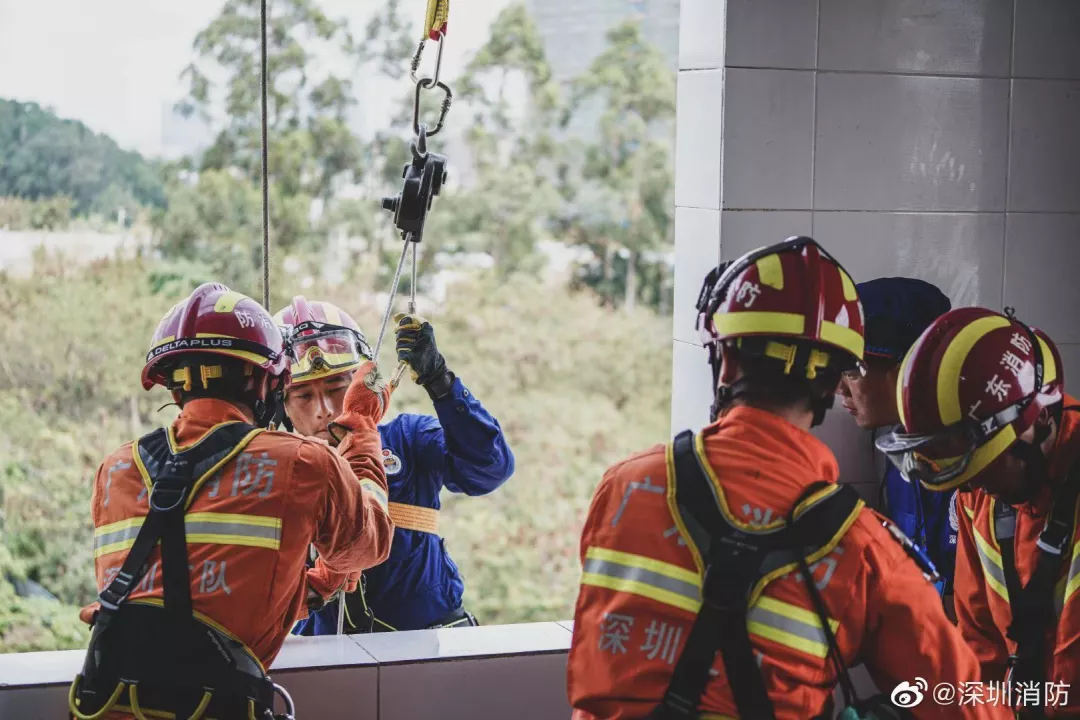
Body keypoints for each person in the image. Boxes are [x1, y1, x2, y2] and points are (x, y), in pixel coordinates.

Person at [567, 237, 986, 720]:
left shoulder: (623, 487)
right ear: (832, 382)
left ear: (723, 361)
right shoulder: (864, 547)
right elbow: (965, 707)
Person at [69, 283, 394, 720]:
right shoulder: (301, 461)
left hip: (105, 702)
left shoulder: (117, 468)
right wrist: (362, 429)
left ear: (173, 384)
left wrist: (316, 586)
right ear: (265, 381)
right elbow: (369, 545)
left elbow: (190, 594)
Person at [878, 307, 1078, 718]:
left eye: (980, 466)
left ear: (1038, 423)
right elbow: (980, 655)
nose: (970, 486)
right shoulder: (979, 494)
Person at [274, 296, 514, 633]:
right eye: (303, 396)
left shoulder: (408, 438)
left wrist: (440, 382)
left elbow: (490, 470)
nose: (324, 410)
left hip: (425, 646)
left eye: (336, 388)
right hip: (325, 650)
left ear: (362, 384)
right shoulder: (267, 467)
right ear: (280, 405)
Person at [836, 277, 957, 599]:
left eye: (851, 372)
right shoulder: (896, 448)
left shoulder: (983, 463)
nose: (839, 389)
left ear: (909, 369)